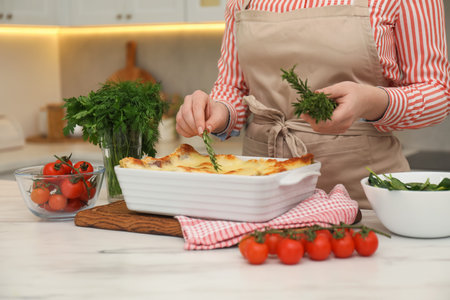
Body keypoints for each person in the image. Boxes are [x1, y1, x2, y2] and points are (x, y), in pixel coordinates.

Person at [176, 0, 450, 209]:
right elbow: (233, 86)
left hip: (365, 202)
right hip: (263, 198)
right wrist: (217, 111)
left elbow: (438, 93)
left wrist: (373, 102)